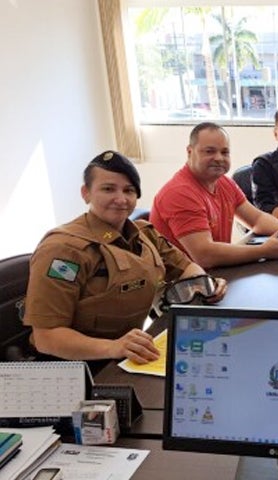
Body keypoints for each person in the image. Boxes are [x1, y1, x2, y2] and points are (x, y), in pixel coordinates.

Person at [23, 151, 228, 366]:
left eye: (129, 190)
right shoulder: (64, 250)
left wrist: (203, 286)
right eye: (108, 189)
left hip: (127, 354)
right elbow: (46, 337)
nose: (121, 199)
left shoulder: (143, 233)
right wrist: (114, 347)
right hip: (80, 368)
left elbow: (186, 267)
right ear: (86, 193)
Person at [151, 122, 278, 269]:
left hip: (215, 274)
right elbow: (204, 256)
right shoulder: (180, 192)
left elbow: (257, 220)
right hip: (185, 280)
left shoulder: (224, 183)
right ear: (190, 152)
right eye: (209, 151)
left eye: (224, 152)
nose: (219, 158)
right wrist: (263, 251)